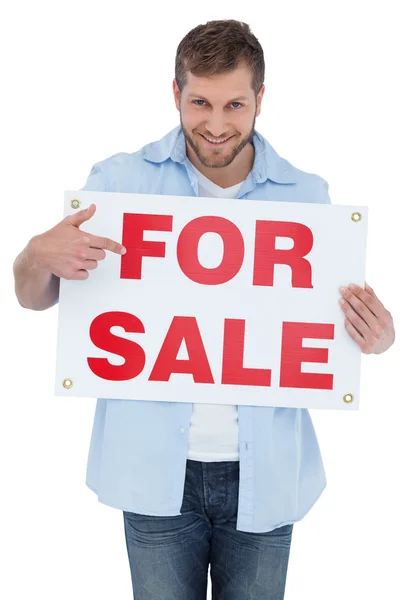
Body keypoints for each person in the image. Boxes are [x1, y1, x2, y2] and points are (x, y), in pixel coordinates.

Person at [13, 19, 395, 600]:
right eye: (200, 103)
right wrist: (36, 254)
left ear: (261, 100)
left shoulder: (307, 196)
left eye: (235, 104)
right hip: (152, 475)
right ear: (175, 94)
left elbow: (330, 323)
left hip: (264, 478)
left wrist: (377, 335)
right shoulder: (117, 183)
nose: (216, 125)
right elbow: (35, 297)